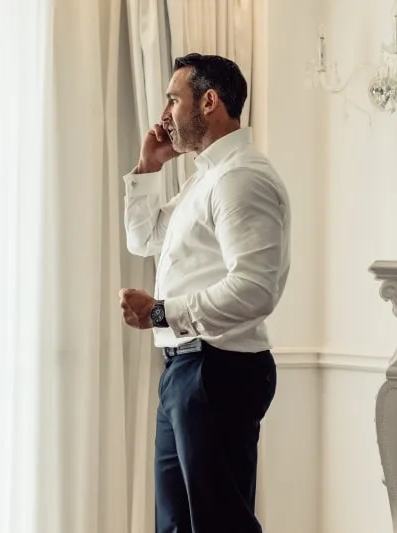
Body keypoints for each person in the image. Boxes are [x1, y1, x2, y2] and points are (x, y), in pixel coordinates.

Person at [117, 53, 291, 533]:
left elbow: (255, 290)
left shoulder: (240, 178)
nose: (165, 112)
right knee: (175, 525)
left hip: (219, 370)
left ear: (208, 101)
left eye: (174, 98)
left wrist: (159, 313)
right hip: (188, 369)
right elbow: (144, 239)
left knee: (219, 526)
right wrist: (148, 167)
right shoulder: (207, 178)